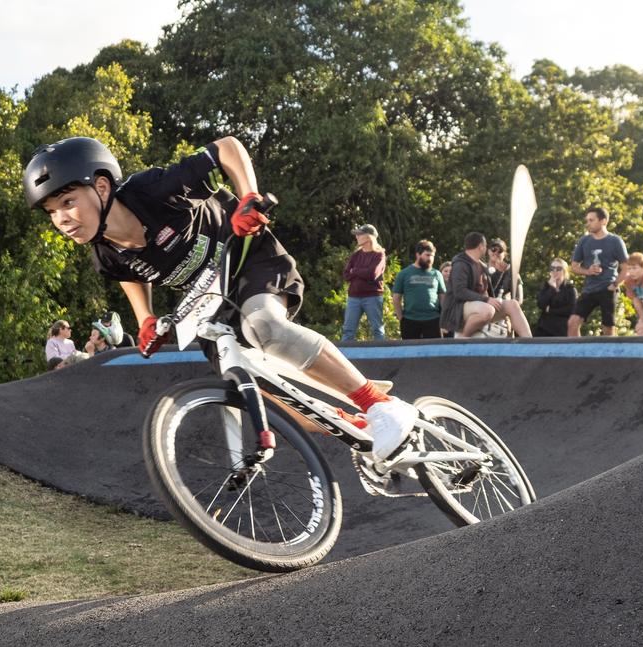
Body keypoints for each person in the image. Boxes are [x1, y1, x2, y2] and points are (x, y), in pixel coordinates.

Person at [22, 136, 418, 460]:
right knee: (254, 391)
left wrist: (248, 198)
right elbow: (130, 275)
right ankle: (356, 426)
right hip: (210, 301)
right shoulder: (104, 255)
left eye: (69, 202)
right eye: (53, 212)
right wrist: (145, 318)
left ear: (102, 187)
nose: (62, 220)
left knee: (264, 326)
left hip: (249, 259)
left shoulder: (154, 190)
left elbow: (226, 148)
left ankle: (380, 406)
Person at [441, 232, 532, 339]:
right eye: (486, 246)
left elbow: (487, 293)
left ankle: (529, 343)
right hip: (458, 309)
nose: (491, 251)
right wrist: (486, 299)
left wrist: (492, 300)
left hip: (479, 306)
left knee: (513, 305)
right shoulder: (460, 263)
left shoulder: (482, 266)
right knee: (488, 309)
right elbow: (459, 292)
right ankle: (463, 336)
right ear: (481, 247)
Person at [567, 206, 628, 336]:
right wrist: (588, 271)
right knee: (573, 322)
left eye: (591, 220)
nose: (588, 223)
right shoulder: (584, 241)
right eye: (587, 220)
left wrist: (615, 284)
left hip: (608, 288)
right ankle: (575, 354)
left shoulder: (615, 241)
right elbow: (574, 266)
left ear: (603, 221)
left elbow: (626, 267)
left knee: (607, 327)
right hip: (589, 289)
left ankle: (610, 355)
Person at [391, 240, 446, 339]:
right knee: (409, 352)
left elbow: (443, 298)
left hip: (433, 319)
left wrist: (444, 318)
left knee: (435, 351)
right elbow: (396, 298)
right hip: (409, 320)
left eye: (432, 256)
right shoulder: (404, 274)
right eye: (427, 255)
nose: (430, 258)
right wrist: (401, 318)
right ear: (418, 255)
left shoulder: (437, 274)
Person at [341, 224, 386, 341]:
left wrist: (355, 271)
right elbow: (346, 275)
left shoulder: (379, 254)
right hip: (353, 297)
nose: (356, 237)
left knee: (378, 330)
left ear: (368, 237)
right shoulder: (355, 255)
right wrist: (362, 272)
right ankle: (345, 357)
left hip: (373, 297)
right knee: (348, 331)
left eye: (359, 234)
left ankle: (382, 357)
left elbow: (373, 274)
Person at [534, 258, 578, 337]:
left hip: (562, 329)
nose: (555, 271)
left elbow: (571, 310)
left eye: (558, 269)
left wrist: (550, 310)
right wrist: (552, 289)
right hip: (544, 328)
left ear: (564, 272)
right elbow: (541, 304)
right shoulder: (546, 287)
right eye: (552, 268)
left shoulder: (570, 289)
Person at [438, 261, 454, 338]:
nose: (448, 273)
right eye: (445, 271)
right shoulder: (436, 287)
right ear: (441, 272)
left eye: (451, 271)